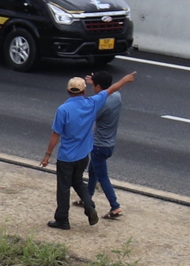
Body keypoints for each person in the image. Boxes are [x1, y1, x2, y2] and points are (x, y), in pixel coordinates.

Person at [38, 70, 134, 229]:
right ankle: (89, 206)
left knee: (63, 188)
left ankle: (62, 219)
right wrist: (125, 79)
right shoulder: (92, 103)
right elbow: (110, 89)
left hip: (66, 157)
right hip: (83, 155)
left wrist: (47, 154)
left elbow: (56, 134)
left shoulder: (63, 110)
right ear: (84, 91)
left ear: (68, 91)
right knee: (78, 182)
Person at [81, 67, 133, 220]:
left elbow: (89, 115)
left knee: (102, 177)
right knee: (93, 171)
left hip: (99, 146)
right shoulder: (116, 96)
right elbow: (113, 88)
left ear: (99, 87)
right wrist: (96, 79)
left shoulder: (101, 105)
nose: (92, 88)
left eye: (94, 86)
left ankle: (115, 206)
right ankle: (87, 198)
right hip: (109, 145)